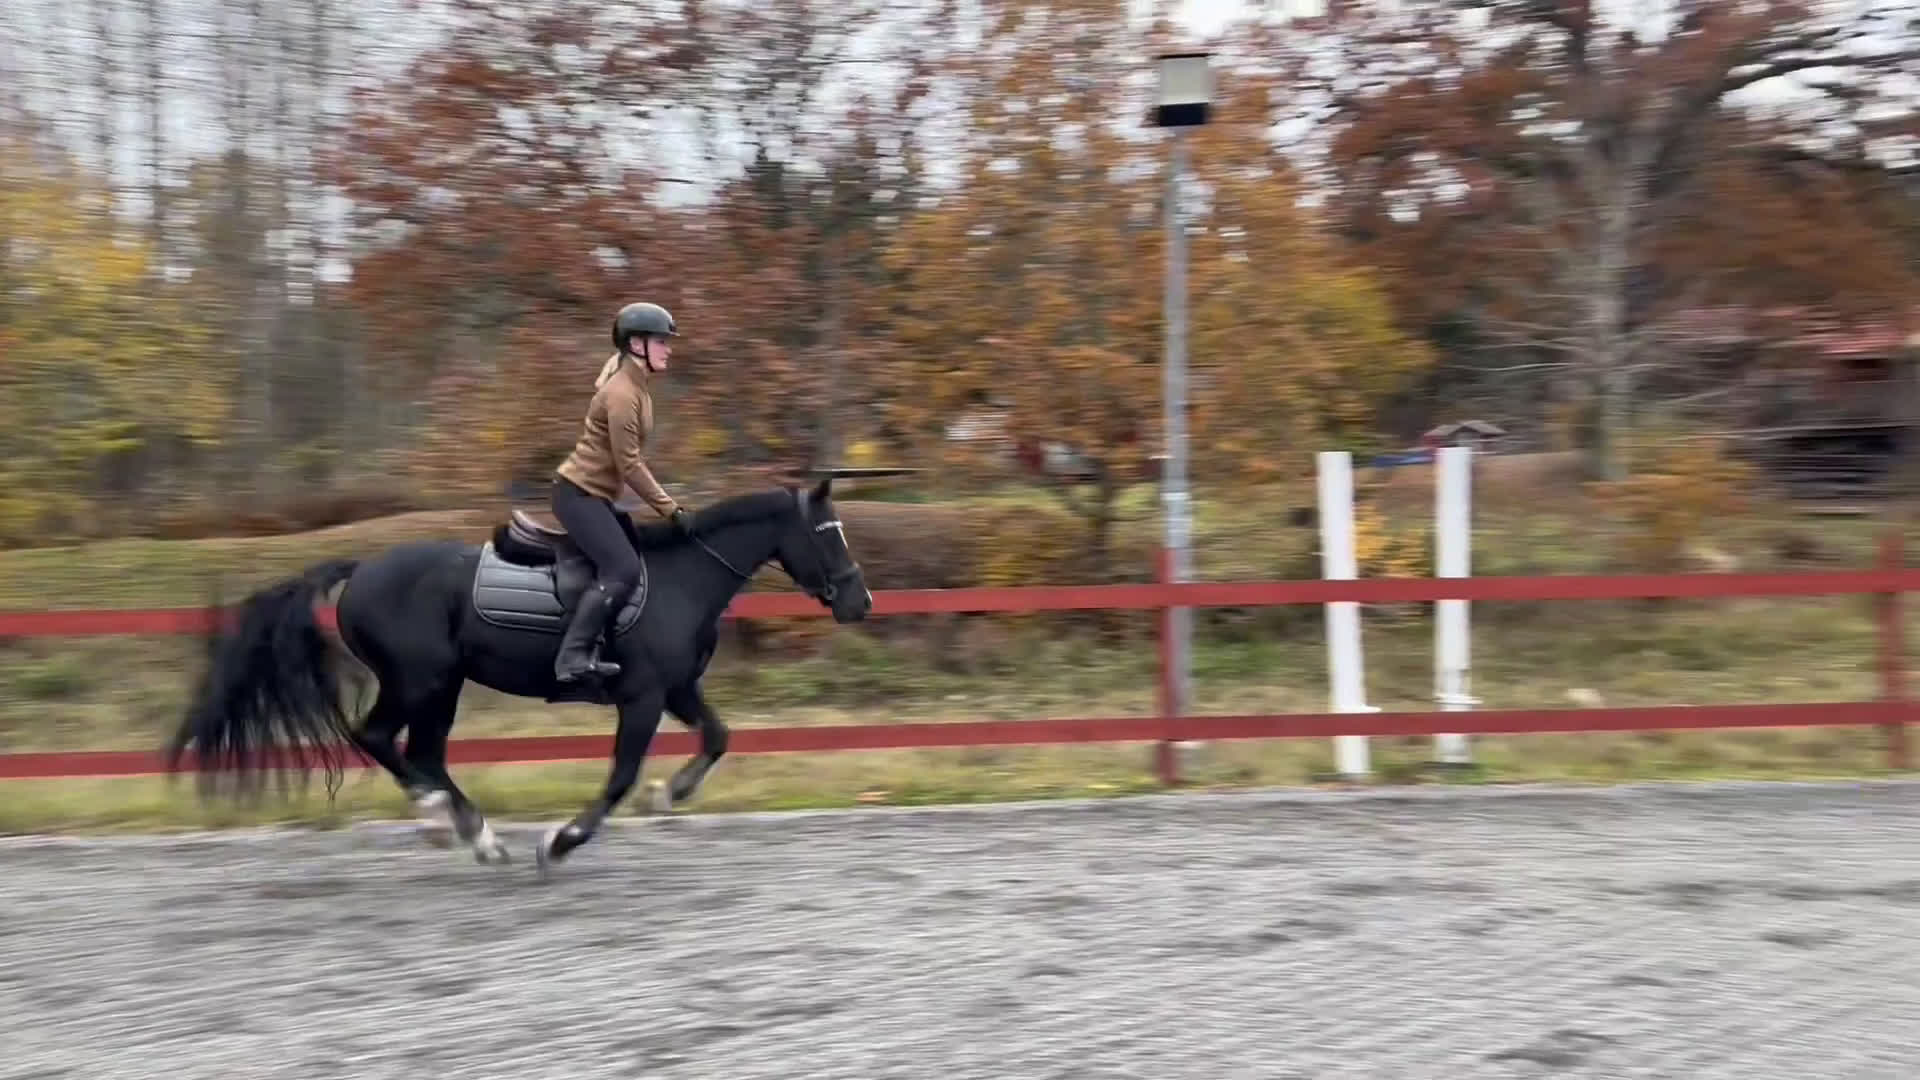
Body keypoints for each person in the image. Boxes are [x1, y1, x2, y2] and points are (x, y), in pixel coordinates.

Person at [549, 301, 694, 684]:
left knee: (639, 555)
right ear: (636, 344)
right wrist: (672, 510)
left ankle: (614, 644)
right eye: (661, 341)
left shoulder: (634, 385)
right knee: (623, 568)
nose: (668, 348)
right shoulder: (624, 395)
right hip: (577, 495)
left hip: (595, 496)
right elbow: (629, 465)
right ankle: (572, 657)